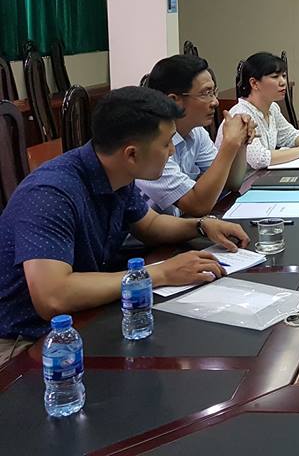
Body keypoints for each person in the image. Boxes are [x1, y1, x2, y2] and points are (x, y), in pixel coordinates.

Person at [0, 87, 250, 365]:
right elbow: (53, 297)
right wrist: (160, 273)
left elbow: (150, 225)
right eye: (166, 144)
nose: (171, 152)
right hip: (25, 342)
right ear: (131, 154)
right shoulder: (51, 194)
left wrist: (201, 226)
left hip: (81, 321)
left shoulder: (115, 173)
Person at [136, 55, 254, 217]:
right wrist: (229, 143)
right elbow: (198, 205)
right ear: (174, 101)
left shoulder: (196, 132)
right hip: (147, 231)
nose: (215, 102)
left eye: (214, 92)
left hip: (180, 223)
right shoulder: (149, 142)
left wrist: (241, 142)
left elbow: (231, 183)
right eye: (206, 93)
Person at [221, 52, 299, 169]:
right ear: (254, 83)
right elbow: (259, 159)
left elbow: (289, 135)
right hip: (241, 179)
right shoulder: (241, 115)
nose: (283, 82)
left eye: (284, 76)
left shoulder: (272, 107)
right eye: (275, 77)